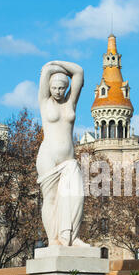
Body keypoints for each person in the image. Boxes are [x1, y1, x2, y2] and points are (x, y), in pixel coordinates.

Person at [36, 60, 89, 247]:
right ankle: (53, 240)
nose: (58, 91)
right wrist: (51, 68)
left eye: (61, 88)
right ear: (49, 87)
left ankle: (71, 236)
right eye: (55, 88)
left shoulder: (70, 102)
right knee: (50, 199)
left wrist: (57, 64)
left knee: (76, 195)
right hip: (48, 156)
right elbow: (46, 70)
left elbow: (79, 72)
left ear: (66, 87)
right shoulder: (44, 102)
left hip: (68, 160)